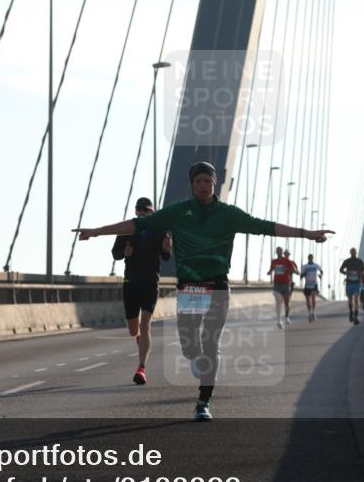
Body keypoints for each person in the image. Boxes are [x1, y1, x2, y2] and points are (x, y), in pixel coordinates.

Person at [74, 161, 333, 421]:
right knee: (189, 347)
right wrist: (96, 232)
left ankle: (203, 401)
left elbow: (266, 227)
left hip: (218, 286)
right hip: (189, 288)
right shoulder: (178, 212)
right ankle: (197, 361)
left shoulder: (229, 214)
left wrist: (307, 234)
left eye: (207, 181)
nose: (202, 185)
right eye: (197, 181)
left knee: (211, 343)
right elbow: (136, 225)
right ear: (192, 184)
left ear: (214, 183)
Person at [111, 197, 172, 386]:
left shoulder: (160, 231)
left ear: (153, 213)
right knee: (133, 330)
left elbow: (166, 256)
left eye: (147, 210)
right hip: (131, 282)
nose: (143, 213)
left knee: (145, 323)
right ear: (136, 211)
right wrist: (124, 253)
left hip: (150, 283)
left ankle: (141, 368)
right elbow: (115, 253)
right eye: (140, 210)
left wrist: (166, 249)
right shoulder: (127, 230)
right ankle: (139, 338)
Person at [267, 246, 296, 329]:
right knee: (278, 301)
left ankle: (287, 317)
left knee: (286, 302)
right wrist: (269, 272)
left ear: (282, 252)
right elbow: (271, 269)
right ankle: (279, 321)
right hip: (277, 284)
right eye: (277, 251)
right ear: (276, 252)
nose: (279, 252)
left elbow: (294, 271)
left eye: (280, 251)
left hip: (286, 284)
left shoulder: (287, 261)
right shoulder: (274, 261)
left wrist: (287, 269)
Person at [338, 248, 364, 324]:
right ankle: (351, 313)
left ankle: (356, 316)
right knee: (350, 299)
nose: (353, 253)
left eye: (354, 252)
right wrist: (346, 273)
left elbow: (363, 270)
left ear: (356, 253)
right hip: (349, 282)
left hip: (357, 282)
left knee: (356, 299)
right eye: (352, 252)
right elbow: (341, 270)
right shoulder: (347, 261)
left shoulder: (359, 261)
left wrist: (359, 273)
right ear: (350, 253)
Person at [300, 254, 322, 322]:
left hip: (314, 284)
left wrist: (320, 275)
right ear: (308, 258)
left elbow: (321, 271)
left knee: (313, 299)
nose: (310, 259)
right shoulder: (304, 266)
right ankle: (310, 312)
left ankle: (313, 312)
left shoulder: (316, 265)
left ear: (313, 258)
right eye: (309, 258)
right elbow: (301, 276)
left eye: (311, 258)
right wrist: (304, 274)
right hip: (307, 285)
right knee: (307, 300)